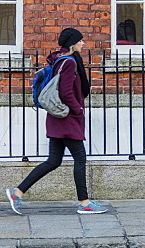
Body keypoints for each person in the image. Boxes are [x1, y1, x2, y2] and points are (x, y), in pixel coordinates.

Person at [6, 28, 107, 215]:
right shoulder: (69, 63)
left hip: (57, 117)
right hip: (66, 118)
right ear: (72, 43)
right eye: (80, 41)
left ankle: (17, 192)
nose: (83, 44)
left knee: (53, 161)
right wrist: (77, 110)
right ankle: (84, 203)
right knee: (80, 158)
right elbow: (65, 92)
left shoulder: (59, 60)